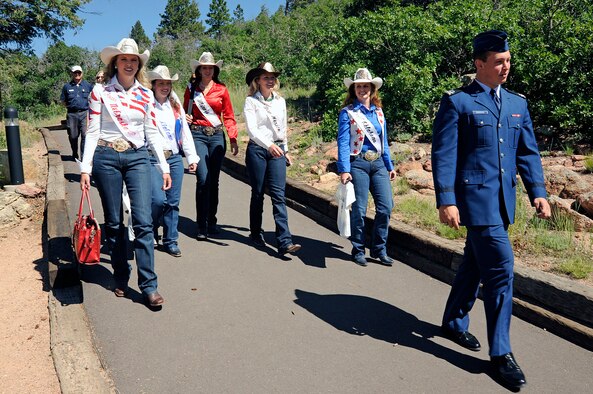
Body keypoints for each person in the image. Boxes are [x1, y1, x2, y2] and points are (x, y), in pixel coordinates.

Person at [431, 30, 551, 389]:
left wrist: (538, 192)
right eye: (498, 61)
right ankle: (501, 354)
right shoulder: (458, 103)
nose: (505, 67)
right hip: (474, 202)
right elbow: (445, 155)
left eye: (508, 61)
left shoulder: (517, 104)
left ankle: (453, 321)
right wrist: (446, 199)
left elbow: (527, 152)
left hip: (503, 202)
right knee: (500, 270)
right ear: (479, 63)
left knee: (473, 263)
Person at [80, 38, 172, 308]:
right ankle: (121, 275)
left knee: (143, 221)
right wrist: (85, 168)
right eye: (124, 60)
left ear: (139, 65)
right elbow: (93, 131)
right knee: (115, 222)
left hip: (137, 156)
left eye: (134, 60)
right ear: (115, 63)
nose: (129, 64)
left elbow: (152, 132)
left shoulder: (146, 94)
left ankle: (149, 286)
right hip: (106, 157)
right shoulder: (100, 92)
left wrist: (163, 166)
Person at [337, 68, 396, 267]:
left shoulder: (378, 112)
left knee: (386, 206)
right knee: (360, 209)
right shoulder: (348, 113)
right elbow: (343, 142)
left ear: (372, 89)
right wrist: (344, 169)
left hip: (378, 163)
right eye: (359, 86)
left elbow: (383, 140)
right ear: (354, 90)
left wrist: (389, 164)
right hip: (358, 163)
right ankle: (359, 248)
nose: (362, 89)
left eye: (365, 86)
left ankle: (379, 248)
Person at [243, 62, 301, 256]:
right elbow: (252, 130)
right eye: (265, 77)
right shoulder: (251, 101)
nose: (270, 80)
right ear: (257, 80)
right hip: (259, 150)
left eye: (272, 77)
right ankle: (255, 232)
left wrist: (285, 149)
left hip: (277, 151)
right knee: (258, 192)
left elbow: (282, 129)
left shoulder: (280, 101)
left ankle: (284, 241)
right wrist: (269, 146)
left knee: (278, 194)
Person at [184, 52, 238, 240]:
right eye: (204, 67)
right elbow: (184, 112)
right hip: (198, 134)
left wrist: (232, 138)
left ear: (215, 70)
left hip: (216, 136)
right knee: (203, 178)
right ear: (199, 70)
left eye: (210, 68)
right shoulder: (191, 89)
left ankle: (211, 220)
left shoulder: (222, 90)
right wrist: (186, 117)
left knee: (213, 181)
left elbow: (229, 116)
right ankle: (201, 224)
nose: (207, 70)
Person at [148, 65, 200, 257]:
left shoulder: (175, 103)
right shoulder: (147, 103)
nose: (165, 86)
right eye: (161, 83)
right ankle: (151, 228)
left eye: (168, 83)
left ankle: (171, 240)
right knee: (157, 200)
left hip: (175, 157)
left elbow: (184, 131)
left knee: (172, 202)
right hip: (153, 157)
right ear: (153, 84)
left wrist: (192, 157)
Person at [61, 65, 93, 160]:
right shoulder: (67, 86)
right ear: (72, 73)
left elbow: (93, 99)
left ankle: (83, 157)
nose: (77, 74)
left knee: (85, 135)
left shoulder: (88, 85)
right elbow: (63, 100)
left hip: (85, 113)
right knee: (73, 136)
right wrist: (70, 108)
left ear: (82, 73)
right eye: (75, 73)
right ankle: (74, 153)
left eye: (79, 72)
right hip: (72, 114)